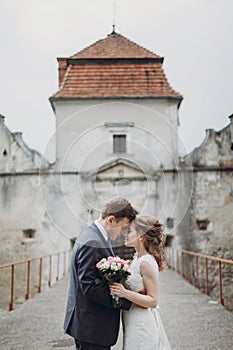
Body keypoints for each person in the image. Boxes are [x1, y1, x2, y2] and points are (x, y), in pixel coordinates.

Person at [64, 197, 137, 350]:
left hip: (92, 326)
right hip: (92, 327)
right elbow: (89, 288)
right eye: (122, 227)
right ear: (111, 220)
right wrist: (126, 301)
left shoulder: (95, 235)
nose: (123, 233)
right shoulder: (93, 242)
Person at [110, 215, 171, 350]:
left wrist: (124, 293)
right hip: (131, 319)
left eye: (130, 231)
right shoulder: (137, 257)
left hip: (141, 322)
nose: (125, 235)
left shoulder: (146, 262)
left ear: (141, 236)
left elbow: (153, 301)